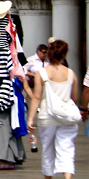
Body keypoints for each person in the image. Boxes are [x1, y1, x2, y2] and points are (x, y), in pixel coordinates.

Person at [27, 39, 81, 179]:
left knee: (48, 150)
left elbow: (36, 98)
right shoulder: (70, 74)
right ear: (64, 55)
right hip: (66, 117)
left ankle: (49, 177)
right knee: (67, 148)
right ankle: (67, 177)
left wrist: (31, 119)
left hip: (47, 116)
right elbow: (74, 98)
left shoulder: (42, 73)